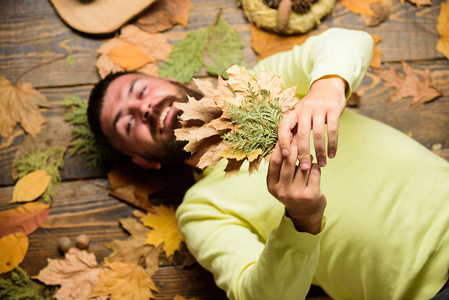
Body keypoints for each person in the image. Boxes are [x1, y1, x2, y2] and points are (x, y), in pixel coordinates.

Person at [88, 28, 449, 299]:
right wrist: (301, 221)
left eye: (139, 91)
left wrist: (327, 87)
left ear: (165, 79)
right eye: (128, 121)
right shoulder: (201, 212)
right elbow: (259, 296)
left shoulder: (262, 85)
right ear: (143, 161)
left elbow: (350, 40)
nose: (144, 107)